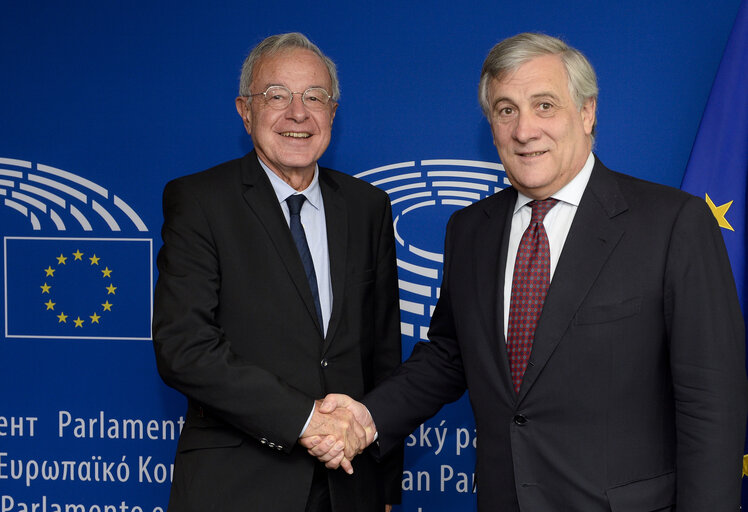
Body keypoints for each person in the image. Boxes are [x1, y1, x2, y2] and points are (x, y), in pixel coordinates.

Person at [304, 32, 747, 511]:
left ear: (587, 111)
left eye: (544, 105)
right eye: (506, 109)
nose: (524, 130)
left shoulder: (670, 223)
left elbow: (711, 404)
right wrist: (367, 414)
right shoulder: (470, 230)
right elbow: (452, 354)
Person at [152, 32, 402, 512]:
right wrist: (307, 420)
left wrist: (385, 486)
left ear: (332, 113)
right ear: (245, 111)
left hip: (351, 486)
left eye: (314, 97)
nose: (297, 113)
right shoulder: (201, 201)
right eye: (277, 96)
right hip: (237, 487)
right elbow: (184, 347)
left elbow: (381, 354)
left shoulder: (367, 206)